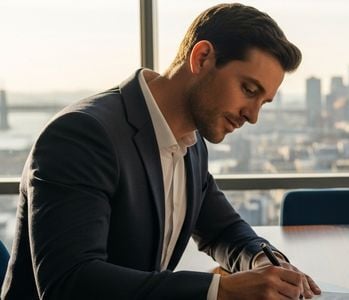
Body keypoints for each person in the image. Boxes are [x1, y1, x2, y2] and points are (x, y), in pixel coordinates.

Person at [2, 3, 322, 299]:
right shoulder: (82, 135)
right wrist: (220, 291)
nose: (252, 116)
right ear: (201, 58)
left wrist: (264, 261)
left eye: (262, 102)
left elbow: (223, 229)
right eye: (248, 90)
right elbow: (69, 283)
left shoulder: (190, 142)